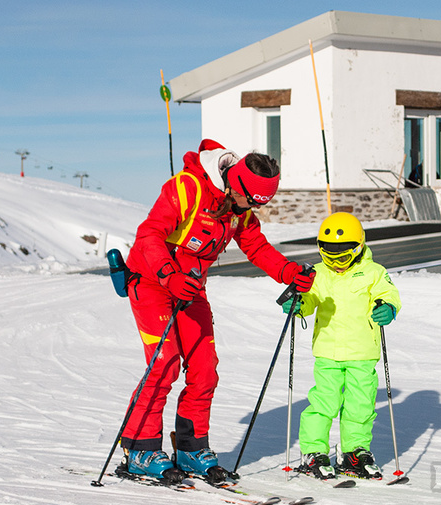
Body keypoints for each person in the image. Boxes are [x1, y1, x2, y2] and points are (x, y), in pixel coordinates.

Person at [119, 138, 315, 484]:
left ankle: (191, 448)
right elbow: (148, 234)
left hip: (190, 288)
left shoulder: (239, 208)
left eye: (257, 203)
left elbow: (255, 246)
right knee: (164, 362)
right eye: (248, 200)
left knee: (205, 368)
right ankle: (139, 448)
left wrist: (289, 272)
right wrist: (168, 274)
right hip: (151, 281)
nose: (248, 209)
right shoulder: (187, 188)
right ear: (233, 184)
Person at [280, 212, 401, 480]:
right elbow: (309, 298)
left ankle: (354, 452)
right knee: (324, 403)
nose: (336, 263)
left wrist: (388, 307)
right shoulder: (318, 274)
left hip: (363, 354)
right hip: (328, 352)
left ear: (358, 247)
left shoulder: (374, 272)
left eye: (343, 256)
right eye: (329, 255)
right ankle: (313, 452)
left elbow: (387, 293)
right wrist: (299, 305)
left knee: (361, 406)